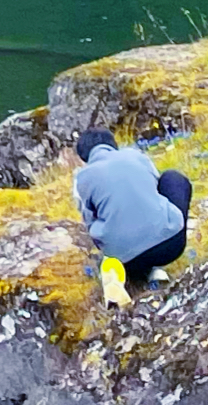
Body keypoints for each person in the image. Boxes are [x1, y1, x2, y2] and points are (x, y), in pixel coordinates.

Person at [69, 127, 193, 296]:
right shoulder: (135, 155)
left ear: (84, 156)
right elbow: (155, 188)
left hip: (125, 260)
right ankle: (153, 269)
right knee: (173, 178)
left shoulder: (82, 179)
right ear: (113, 144)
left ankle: (135, 273)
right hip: (171, 246)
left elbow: (90, 223)